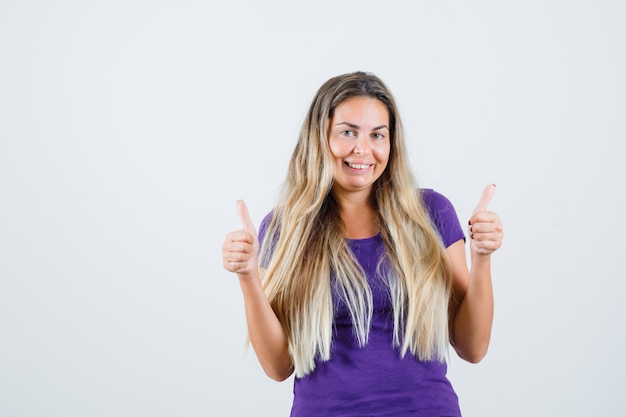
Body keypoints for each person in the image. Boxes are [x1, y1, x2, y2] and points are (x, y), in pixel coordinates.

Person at [222, 71, 503, 416]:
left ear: (391, 143)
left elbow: (473, 348)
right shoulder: (285, 228)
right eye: (348, 132)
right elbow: (278, 367)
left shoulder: (431, 213)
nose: (363, 149)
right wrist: (248, 277)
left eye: (377, 135)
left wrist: (482, 259)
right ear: (319, 137)